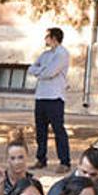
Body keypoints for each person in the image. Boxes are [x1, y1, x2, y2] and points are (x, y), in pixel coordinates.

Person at [28, 27, 71, 172]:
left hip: (55, 97)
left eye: (47, 36)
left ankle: (64, 161)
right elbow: (32, 68)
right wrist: (41, 71)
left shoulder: (62, 54)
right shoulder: (45, 54)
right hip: (41, 96)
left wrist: (41, 71)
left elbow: (51, 72)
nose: (45, 39)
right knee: (40, 130)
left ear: (54, 38)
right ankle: (41, 159)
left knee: (58, 130)